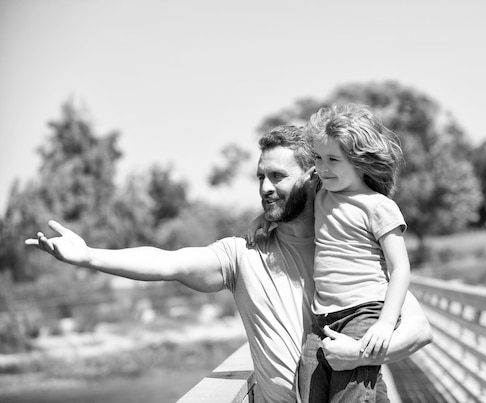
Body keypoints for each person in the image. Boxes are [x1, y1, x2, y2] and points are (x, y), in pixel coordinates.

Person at [25, 125, 432, 403]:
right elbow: (170, 262)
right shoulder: (242, 254)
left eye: (277, 175)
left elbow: (418, 330)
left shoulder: (353, 248)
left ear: (314, 176)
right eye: (260, 177)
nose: (265, 188)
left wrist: (360, 354)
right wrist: (90, 256)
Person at [297, 104, 412, 402]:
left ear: (360, 161)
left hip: (362, 313)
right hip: (320, 320)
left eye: (333, 159)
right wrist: (260, 222)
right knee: (311, 392)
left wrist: (386, 323)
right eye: (319, 158)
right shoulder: (319, 194)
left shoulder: (378, 206)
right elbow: (286, 208)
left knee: (352, 398)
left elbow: (400, 269)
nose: (323, 167)